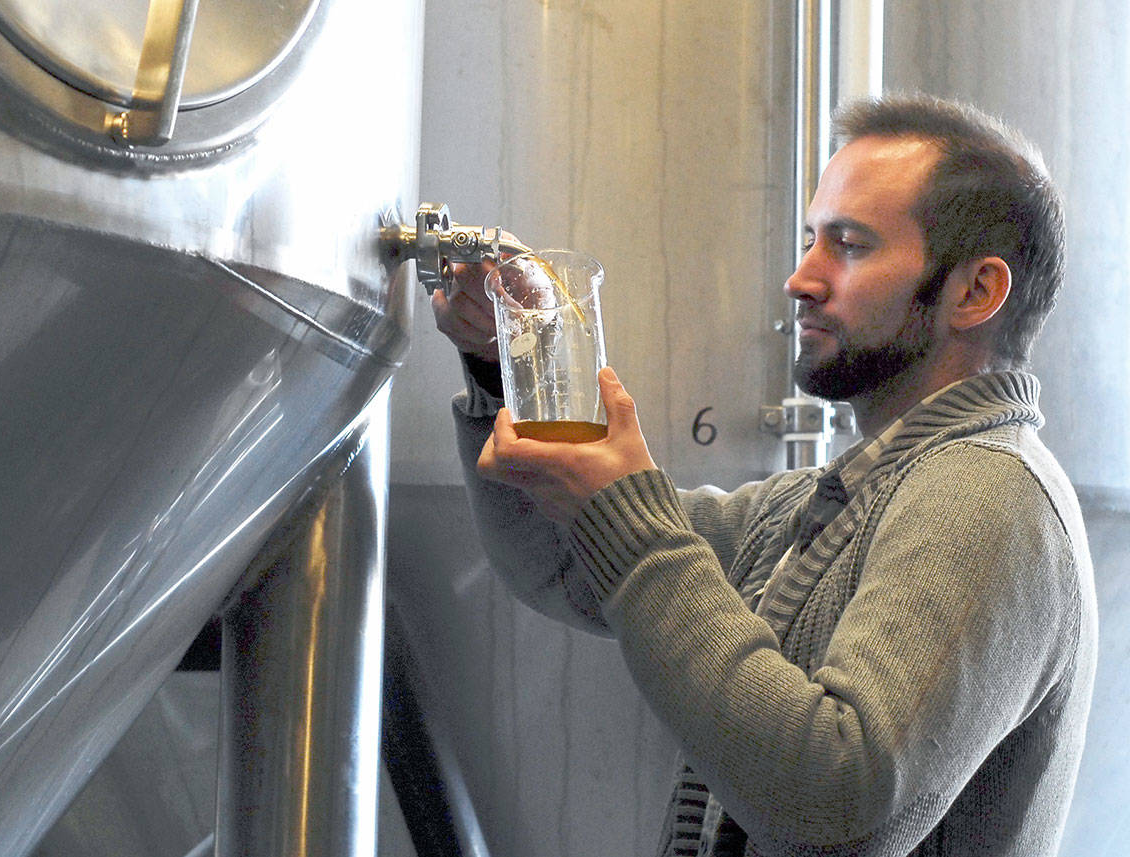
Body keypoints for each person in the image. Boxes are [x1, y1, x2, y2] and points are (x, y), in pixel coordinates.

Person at [430, 93, 1097, 857]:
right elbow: (563, 563)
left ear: (974, 292)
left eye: (848, 245)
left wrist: (627, 515)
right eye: (812, 238)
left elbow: (836, 797)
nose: (800, 277)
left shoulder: (989, 492)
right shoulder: (834, 500)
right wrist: (509, 362)